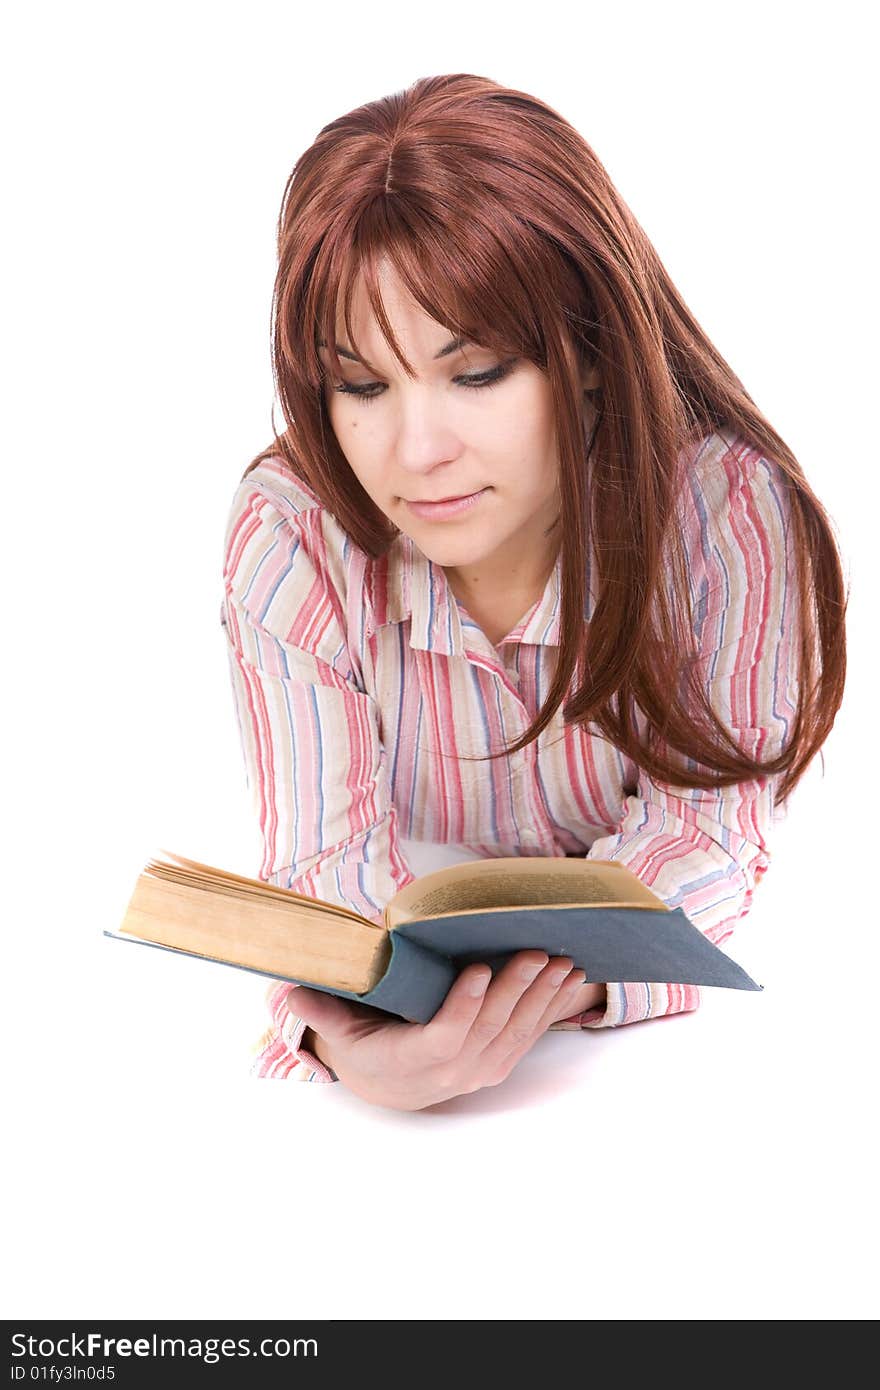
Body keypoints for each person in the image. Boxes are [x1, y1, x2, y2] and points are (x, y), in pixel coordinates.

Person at [219, 73, 846, 1110]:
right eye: (362, 386)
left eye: (477, 372)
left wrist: (527, 998)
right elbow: (317, 883)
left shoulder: (726, 512)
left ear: (589, 354)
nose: (417, 451)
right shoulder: (295, 531)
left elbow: (707, 840)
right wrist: (346, 1045)